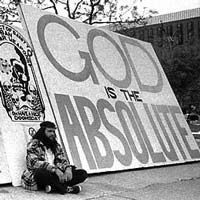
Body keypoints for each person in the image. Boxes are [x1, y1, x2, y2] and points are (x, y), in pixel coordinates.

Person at [21, 121, 88, 194]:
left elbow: (62, 159)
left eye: (53, 131)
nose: (52, 134)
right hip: (40, 174)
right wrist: (55, 170)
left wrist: (68, 169)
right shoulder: (33, 144)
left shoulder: (56, 145)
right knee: (41, 173)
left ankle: (53, 187)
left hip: (57, 174)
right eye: (49, 131)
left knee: (82, 173)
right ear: (42, 132)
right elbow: (34, 163)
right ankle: (66, 188)